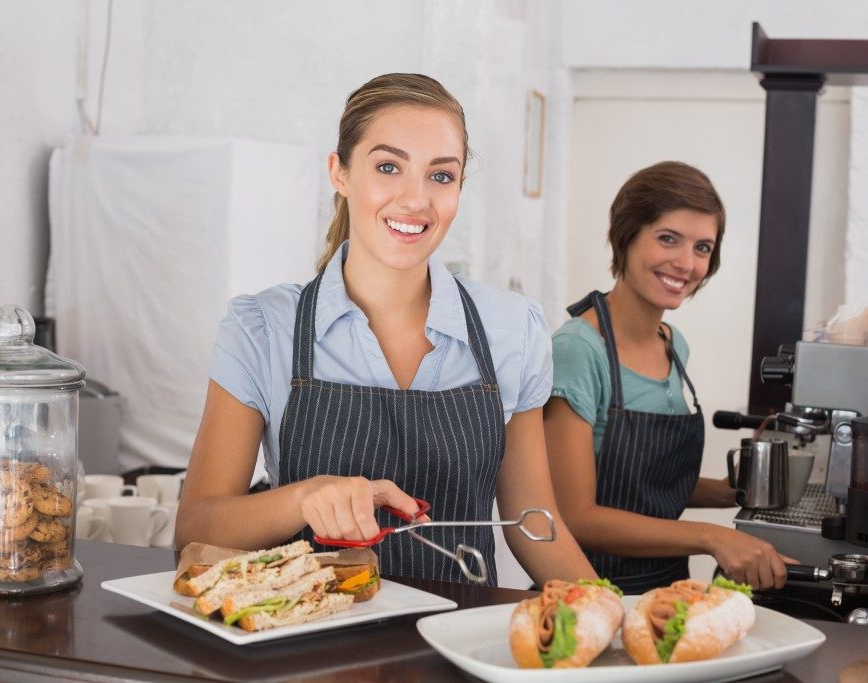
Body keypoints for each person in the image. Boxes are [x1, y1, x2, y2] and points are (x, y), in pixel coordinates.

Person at [176, 73, 596, 586]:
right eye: (389, 167)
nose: (415, 200)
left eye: (440, 176)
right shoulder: (263, 328)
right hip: (312, 646)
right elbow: (195, 529)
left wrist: (609, 616)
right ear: (340, 172)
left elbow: (534, 525)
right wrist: (304, 498)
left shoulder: (513, 330)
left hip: (457, 645)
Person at [543, 161, 794, 593]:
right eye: (667, 239)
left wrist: (739, 492)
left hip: (667, 587)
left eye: (702, 247)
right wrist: (713, 537)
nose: (685, 263)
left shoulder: (673, 344)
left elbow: (645, 484)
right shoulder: (578, 351)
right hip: (591, 593)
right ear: (626, 237)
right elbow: (576, 515)